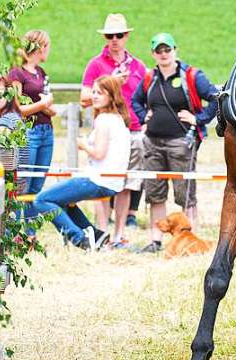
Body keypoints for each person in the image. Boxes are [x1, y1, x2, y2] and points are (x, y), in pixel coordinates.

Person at [131, 32, 219, 253]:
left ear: (175, 50)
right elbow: (135, 100)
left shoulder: (192, 76)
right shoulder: (150, 78)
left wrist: (199, 119)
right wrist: (143, 117)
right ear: (153, 54)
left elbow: (217, 98)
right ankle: (156, 241)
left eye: (167, 49)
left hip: (182, 142)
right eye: (159, 50)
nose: (163, 54)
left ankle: (190, 240)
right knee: (155, 193)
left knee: (185, 193)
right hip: (152, 143)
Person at [29, 75, 130, 250]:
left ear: (111, 96)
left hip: (97, 180)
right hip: (111, 182)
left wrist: (83, 145)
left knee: (41, 200)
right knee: (61, 200)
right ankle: (96, 235)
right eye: (94, 92)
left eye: (100, 93)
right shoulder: (118, 118)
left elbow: (99, 153)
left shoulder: (104, 119)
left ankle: (79, 238)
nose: (95, 96)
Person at [81, 13, 147, 244]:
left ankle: (119, 233)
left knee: (125, 183)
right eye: (110, 35)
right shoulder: (96, 64)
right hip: (105, 127)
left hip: (133, 129)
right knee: (100, 180)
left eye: (119, 35)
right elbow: (83, 98)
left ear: (127, 36)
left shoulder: (139, 65)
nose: (115, 39)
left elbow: (147, 96)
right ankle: (101, 232)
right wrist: (111, 81)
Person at [8, 30, 57, 196]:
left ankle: (29, 221)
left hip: (46, 131)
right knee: (23, 185)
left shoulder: (42, 73)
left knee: (37, 187)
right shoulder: (17, 73)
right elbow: (18, 109)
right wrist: (43, 104)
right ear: (42, 47)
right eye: (48, 46)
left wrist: (44, 105)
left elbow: (52, 109)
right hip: (28, 132)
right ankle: (17, 221)